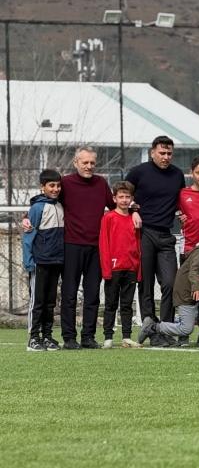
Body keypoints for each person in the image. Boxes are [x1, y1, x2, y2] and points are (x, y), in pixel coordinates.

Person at [25, 147, 115, 349]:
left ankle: (88, 337)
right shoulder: (65, 183)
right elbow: (45, 201)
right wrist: (26, 217)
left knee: (92, 294)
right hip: (71, 246)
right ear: (76, 163)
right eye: (85, 162)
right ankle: (69, 338)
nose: (89, 166)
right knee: (69, 294)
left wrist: (134, 212)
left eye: (92, 163)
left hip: (96, 247)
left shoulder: (101, 183)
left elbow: (114, 207)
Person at [126, 135, 185, 345]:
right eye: (162, 153)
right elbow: (122, 196)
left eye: (169, 153)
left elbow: (181, 201)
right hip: (144, 233)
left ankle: (165, 329)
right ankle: (151, 330)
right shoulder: (138, 172)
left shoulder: (177, 175)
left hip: (166, 235)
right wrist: (132, 210)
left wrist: (182, 213)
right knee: (146, 284)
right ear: (152, 152)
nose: (166, 157)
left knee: (170, 283)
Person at [138, 227, 199, 347]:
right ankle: (153, 327)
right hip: (186, 295)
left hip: (198, 294)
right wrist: (196, 286)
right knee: (186, 329)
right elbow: (194, 271)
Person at [22, 169, 64, 352]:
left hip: (56, 261)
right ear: (42, 187)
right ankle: (33, 338)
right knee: (37, 302)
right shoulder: (37, 208)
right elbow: (28, 237)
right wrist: (29, 261)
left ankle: (47, 336)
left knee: (50, 302)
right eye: (51, 185)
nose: (55, 189)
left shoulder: (60, 206)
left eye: (58, 185)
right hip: (39, 262)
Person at [98, 181, 142, 349]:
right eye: (121, 197)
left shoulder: (134, 218)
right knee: (110, 304)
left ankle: (126, 337)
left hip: (130, 267)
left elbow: (137, 244)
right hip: (114, 268)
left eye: (127, 197)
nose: (124, 200)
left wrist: (138, 267)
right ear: (114, 198)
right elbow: (104, 244)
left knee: (127, 304)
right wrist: (106, 269)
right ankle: (108, 337)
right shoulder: (108, 218)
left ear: (132, 198)